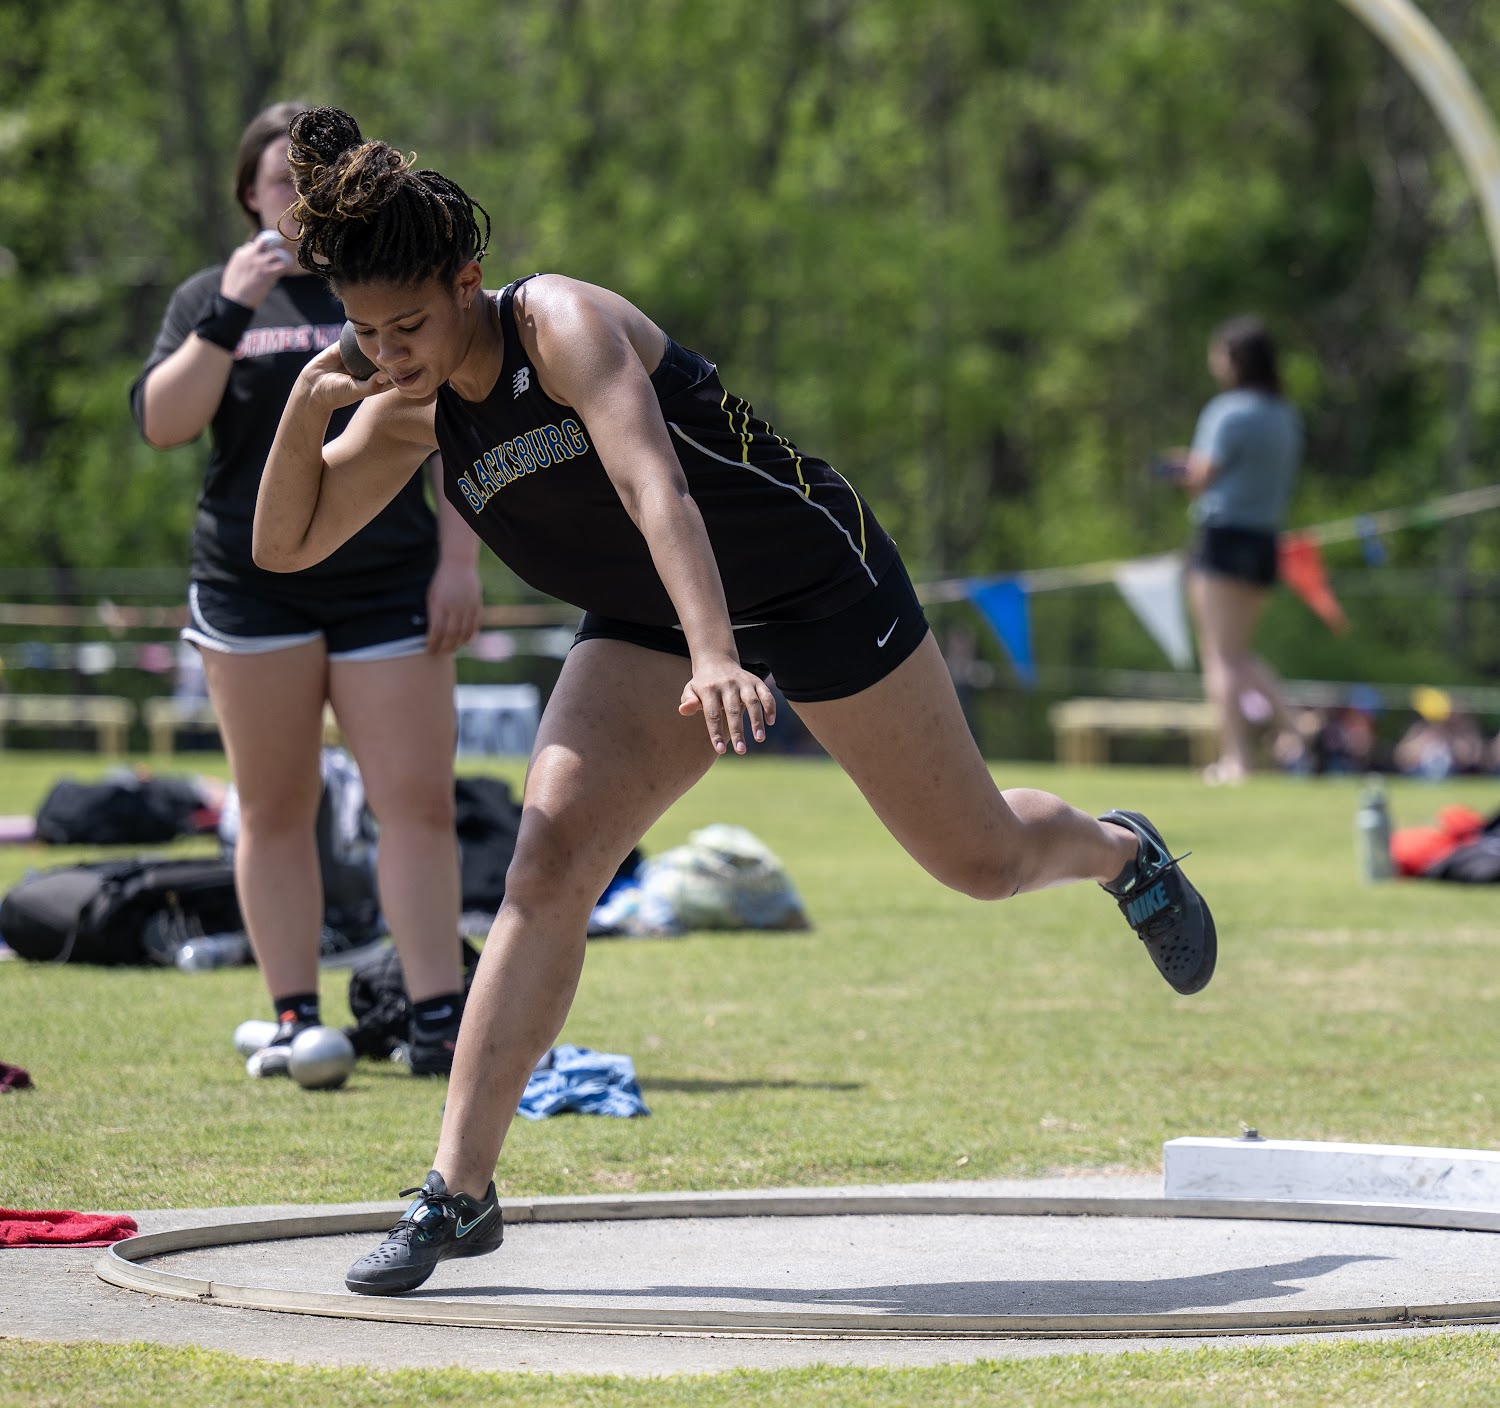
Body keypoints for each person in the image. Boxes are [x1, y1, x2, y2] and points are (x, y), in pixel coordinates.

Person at [252, 107, 1218, 1295]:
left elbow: (653, 483)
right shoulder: (409, 407)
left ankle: (1122, 852)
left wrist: (719, 652)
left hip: (807, 581)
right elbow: (285, 545)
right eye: (366, 332)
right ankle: (458, 1191)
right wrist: (306, 410)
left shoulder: (559, 325)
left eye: (409, 325)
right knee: (547, 867)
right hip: (650, 621)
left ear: (467, 279)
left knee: (980, 859)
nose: (392, 352)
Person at [130, 102, 479, 1077]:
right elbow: (163, 425)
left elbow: (453, 428)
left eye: (320, 176)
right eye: (284, 180)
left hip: (388, 584)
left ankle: (437, 1018)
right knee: (274, 804)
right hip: (251, 590)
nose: (301, 196)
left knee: (416, 801)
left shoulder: (379, 283)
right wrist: (229, 308)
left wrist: (459, 563)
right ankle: (293, 1015)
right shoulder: (211, 297)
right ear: (249, 193)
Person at [1163, 316, 1303, 785]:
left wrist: (1177, 469)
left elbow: (1201, 478)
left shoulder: (1227, 411)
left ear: (1235, 359)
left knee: (1219, 657)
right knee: (1238, 652)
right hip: (1265, 543)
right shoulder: (1285, 414)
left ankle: (1236, 759)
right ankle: (1296, 726)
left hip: (1223, 538)